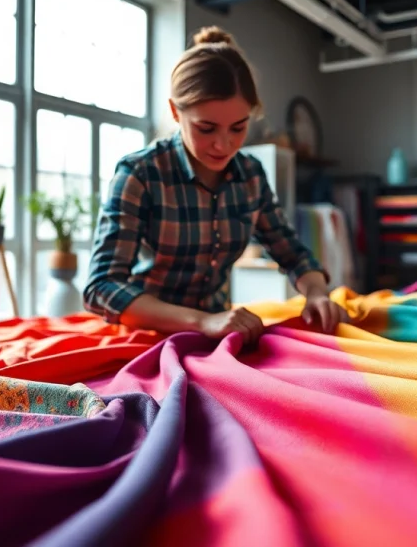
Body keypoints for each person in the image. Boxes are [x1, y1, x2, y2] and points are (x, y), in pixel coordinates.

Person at [83, 26, 346, 344]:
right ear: (175, 113)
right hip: (147, 335)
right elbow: (102, 287)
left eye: (238, 127)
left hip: (218, 334)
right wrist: (202, 321)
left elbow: (291, 251)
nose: (223, 145)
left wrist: (317, 293)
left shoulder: (250, 175)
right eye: (206, 128)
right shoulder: (139, 174)